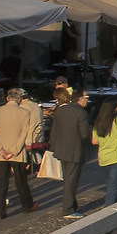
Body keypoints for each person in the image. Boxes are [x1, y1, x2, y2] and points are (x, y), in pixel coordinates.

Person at [0, 86, 40, 216]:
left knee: (1, 181)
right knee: (20, 180)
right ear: (19, 100)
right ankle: (27, 205)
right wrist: (14, 150)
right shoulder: (24, 113)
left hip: (0, 152)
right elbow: (24, 133)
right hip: (17, 152)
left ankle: (0, 211)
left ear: (7, 98)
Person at [48, 84, 92, 214]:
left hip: (61, 150)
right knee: (71, 181)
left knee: (68, 178)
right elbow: (84, 134)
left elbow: (54, 131)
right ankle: (68, 209)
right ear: (80, 99)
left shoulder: (60, 110)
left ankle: (73, 204)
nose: (87, 100)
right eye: (86, 97)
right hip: (74, 151)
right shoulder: (81, 113)